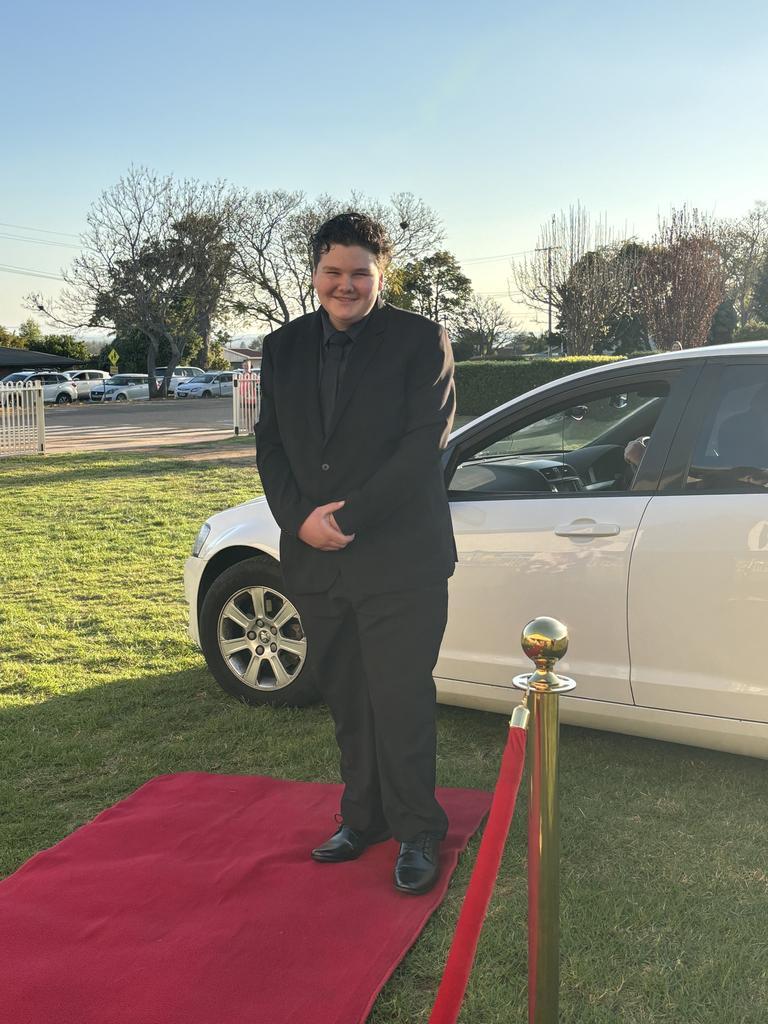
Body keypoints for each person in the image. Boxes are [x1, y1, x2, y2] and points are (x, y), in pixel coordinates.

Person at [255, 212, 456, 895]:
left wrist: (348, 516)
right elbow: (270, 445)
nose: (347, 285)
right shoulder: (280, 347)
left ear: (381, 274)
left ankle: (418, 831)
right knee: (346, 698)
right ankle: (362, 817)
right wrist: (296, 519)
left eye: (360, 274)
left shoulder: (420, 340)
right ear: (314, 273)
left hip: (401, 558)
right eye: (334, 272)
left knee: (399, 701)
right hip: (317, 560)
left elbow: (422, 444)